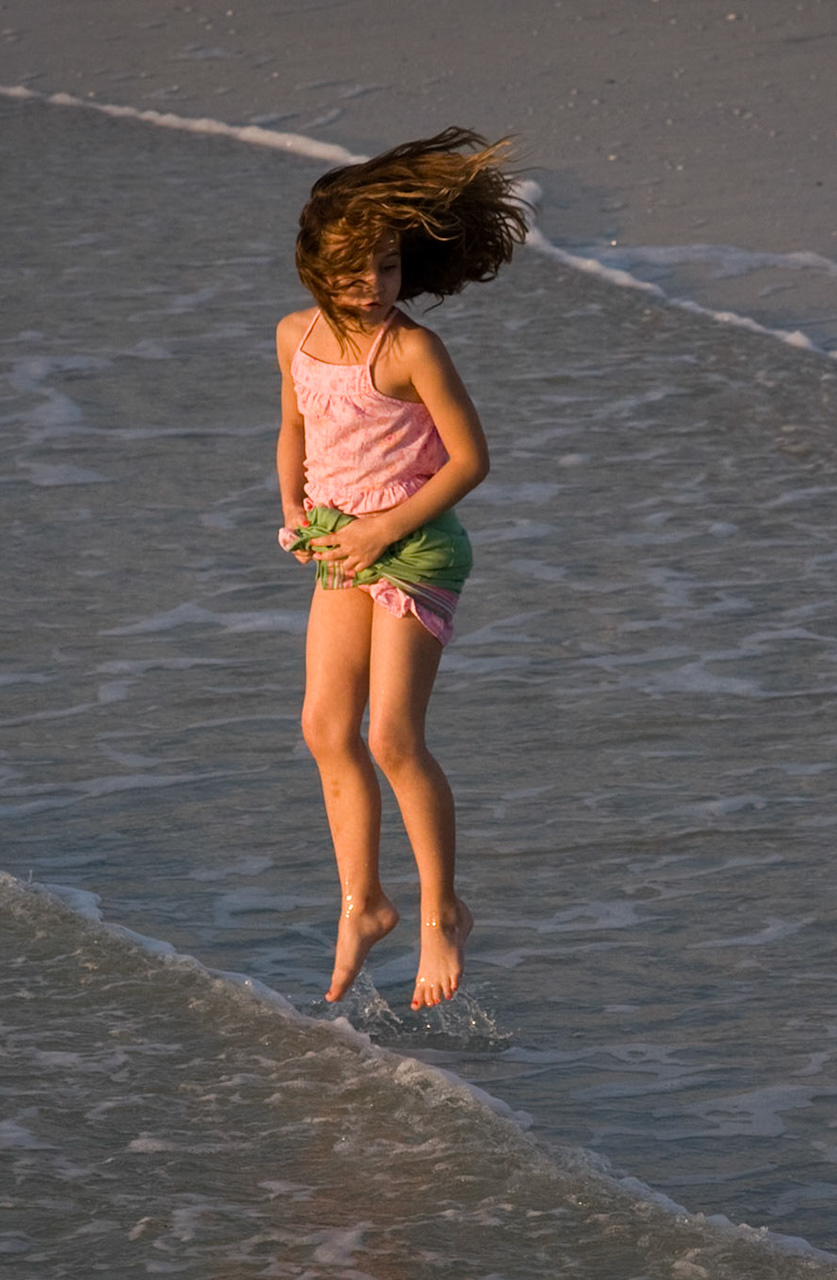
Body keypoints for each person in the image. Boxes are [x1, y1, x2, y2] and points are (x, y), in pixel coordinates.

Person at [274, 128, 528, 1010]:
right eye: (351, 273)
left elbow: (470, 462)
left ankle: (440, 912)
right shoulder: (294, 339)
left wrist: (382, 531)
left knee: (391, 737)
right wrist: (294, 511)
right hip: (340, 537)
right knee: (322, 727)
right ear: (314, 269)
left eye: (385, 269)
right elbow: (296, 429)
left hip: (415, 542)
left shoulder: (412, 351)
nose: (370, 287)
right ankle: (365, 902)